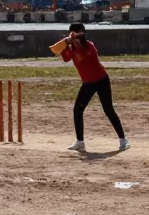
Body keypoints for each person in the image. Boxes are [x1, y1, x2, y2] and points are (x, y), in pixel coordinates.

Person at [54, 23, 128, 152]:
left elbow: (86, 56)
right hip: (88, 82)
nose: (74, 36)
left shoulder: (89, 45)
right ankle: (80, 141)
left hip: (101, 80)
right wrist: (63, 47)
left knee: (108, 110)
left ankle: (123, 139)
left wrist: (76, 45)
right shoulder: (71, 48)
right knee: (78, 110)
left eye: (76, 33)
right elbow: (66, 59)